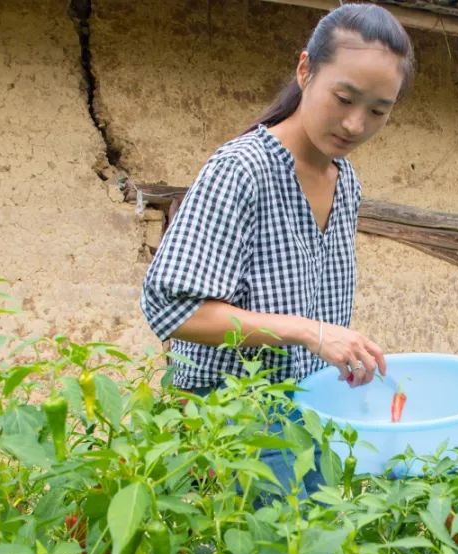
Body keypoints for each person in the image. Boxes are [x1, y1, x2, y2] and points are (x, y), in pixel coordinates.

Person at [141, 4, 415, 499]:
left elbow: (315, 310)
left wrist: (341, 348)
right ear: (305, 69)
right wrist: (310, 333)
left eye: (378, 110)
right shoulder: (243, 169)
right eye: (344, 97)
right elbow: (171, 310)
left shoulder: (345, 181)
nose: (355, 124)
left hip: (308, 416)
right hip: (228, 420)